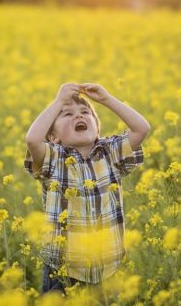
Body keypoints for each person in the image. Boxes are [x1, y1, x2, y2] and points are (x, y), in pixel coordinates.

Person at [24, 82, 150, 295]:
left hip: (108, 271)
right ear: (54, 137)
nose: (78, 116)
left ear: (97, 129)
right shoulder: (54, 159)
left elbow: (142, 128)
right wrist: (58, 102)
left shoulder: (110, 153)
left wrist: (106, 99)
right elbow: (32, 139)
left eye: (85, 112)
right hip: (63, 273)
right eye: (67, 114)